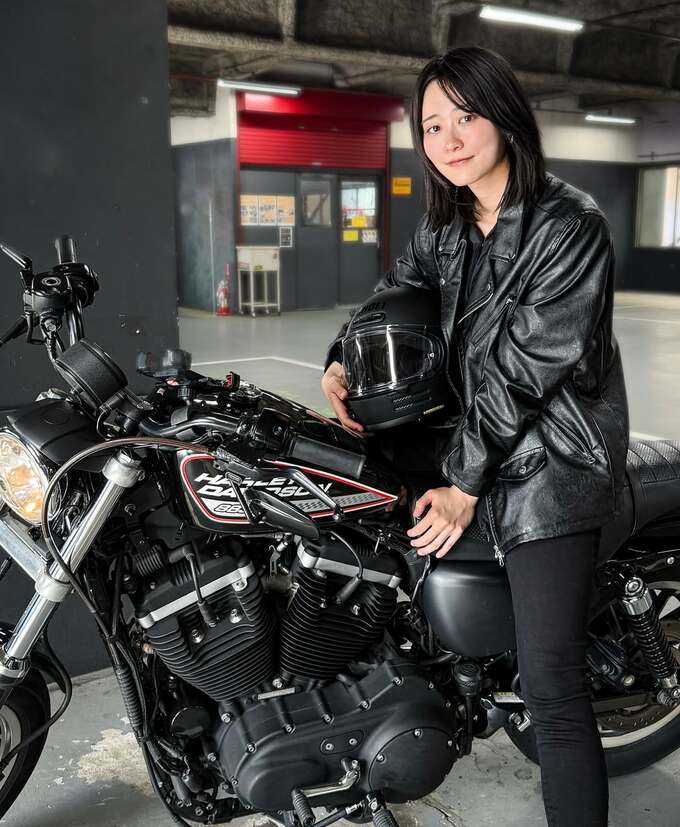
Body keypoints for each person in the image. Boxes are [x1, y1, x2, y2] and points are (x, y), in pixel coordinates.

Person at [321, 46, 629, 826]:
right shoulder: (448, 224)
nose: (449, 138)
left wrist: (461, 486)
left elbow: (526, 371)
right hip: (475, 433)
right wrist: (341, 357)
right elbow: (395, 290)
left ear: (505, 116)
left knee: (551, 686)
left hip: (551, 460)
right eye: (432, 125)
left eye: (465, 117)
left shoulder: (570, 225)